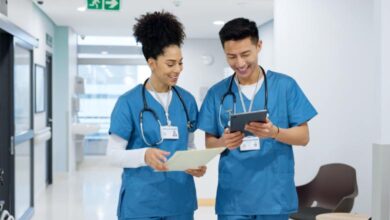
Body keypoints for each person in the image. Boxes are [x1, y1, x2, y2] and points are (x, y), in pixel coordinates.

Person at [198, 18, 318, 220]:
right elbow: (210, 144)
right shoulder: (217, 93)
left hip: (274, 197)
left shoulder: (285, 86)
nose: (240, 63)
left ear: (259, 46)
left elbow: (304, 137)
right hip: (233, 198)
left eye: (245, 54)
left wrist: (275, 132)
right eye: (231, 56)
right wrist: (223, 142)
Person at [107, 11, 206, 220]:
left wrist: (194, 163)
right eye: (170, 64)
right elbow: (113, 154)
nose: (178, 69)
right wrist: (144, 155)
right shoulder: (128, 102)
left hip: (180, 201)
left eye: (180, 62)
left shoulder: (186, 100)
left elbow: (188, 144)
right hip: (142, 203)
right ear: (151, 63)